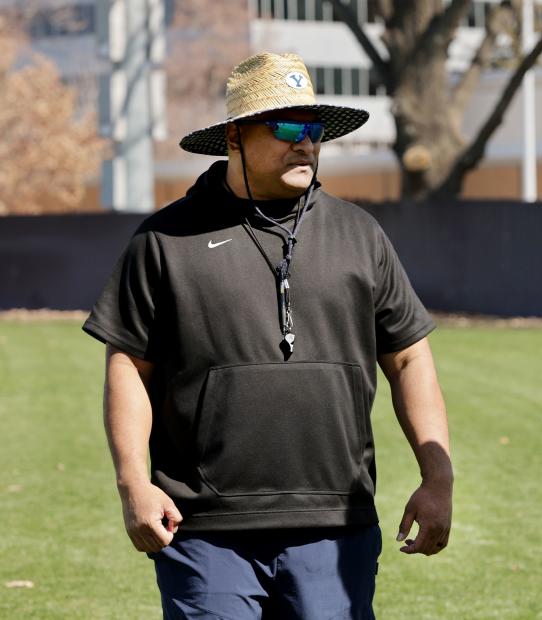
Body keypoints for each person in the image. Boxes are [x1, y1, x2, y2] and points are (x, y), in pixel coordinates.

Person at [83, 52, 453, 619]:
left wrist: (438, 477)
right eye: (286, 127)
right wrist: (133, 483)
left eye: (314, 129)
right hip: (204, 528)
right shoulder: (164, 239)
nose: (305, 142)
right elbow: (129, 367)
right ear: (235, 136)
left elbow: (408, 358)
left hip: (336, 525)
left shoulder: (360, 234)